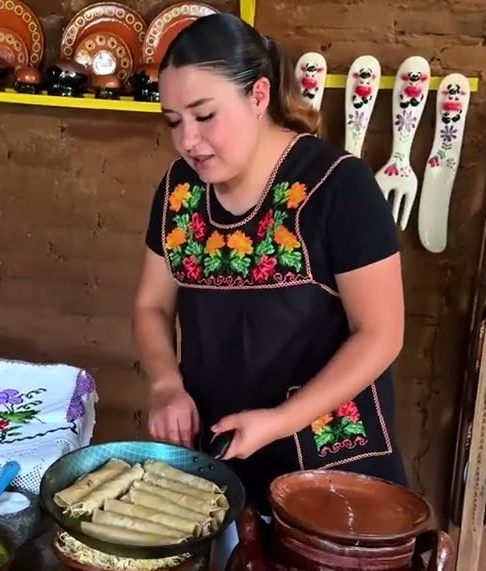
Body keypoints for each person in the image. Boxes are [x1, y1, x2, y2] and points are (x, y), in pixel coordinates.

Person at [132, 12, 409, 528]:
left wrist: (280, 421)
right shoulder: (179, 191)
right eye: (173, 121)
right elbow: (151, 305)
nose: (188, 140)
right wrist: (166, 384)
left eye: (204, 115)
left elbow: (381, 334)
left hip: (330, 467)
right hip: (221, 452)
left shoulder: (338, 186)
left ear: (259, 96)